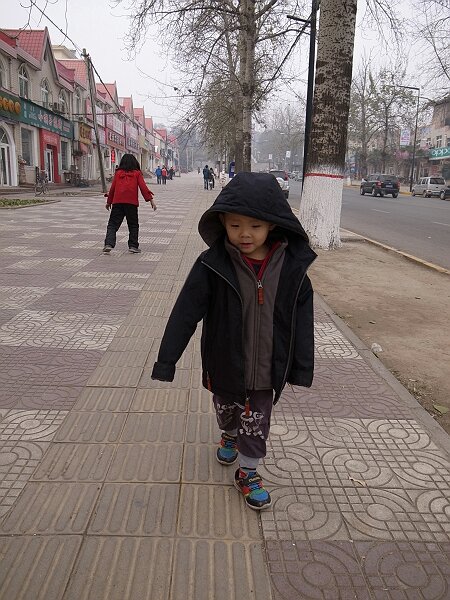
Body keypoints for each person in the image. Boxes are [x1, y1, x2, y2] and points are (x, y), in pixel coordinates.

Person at [151, 172, 316, 510]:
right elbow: (185, 313)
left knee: (256, 422)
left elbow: (303, 322)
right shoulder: (212, 265)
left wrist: (301, 367)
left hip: (267, 369)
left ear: (272, 225)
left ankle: (248, 472)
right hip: (225, 362)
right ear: (222, 222)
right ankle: (228, 433)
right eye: (235, 225)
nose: (245, 234)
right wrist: (166, 361)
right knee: (227, 412)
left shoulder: (292, 269)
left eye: (255, 226)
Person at [103, 153, 156, 254]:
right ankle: (133, 246)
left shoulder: (118, 173)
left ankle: (108, 244)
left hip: (117, 203)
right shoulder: (137, 173)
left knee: (113, 224)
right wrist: (151, 200)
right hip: (131, 204)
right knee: (133, 225)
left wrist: (109, 202)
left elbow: (113, 189)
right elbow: (143, 187)